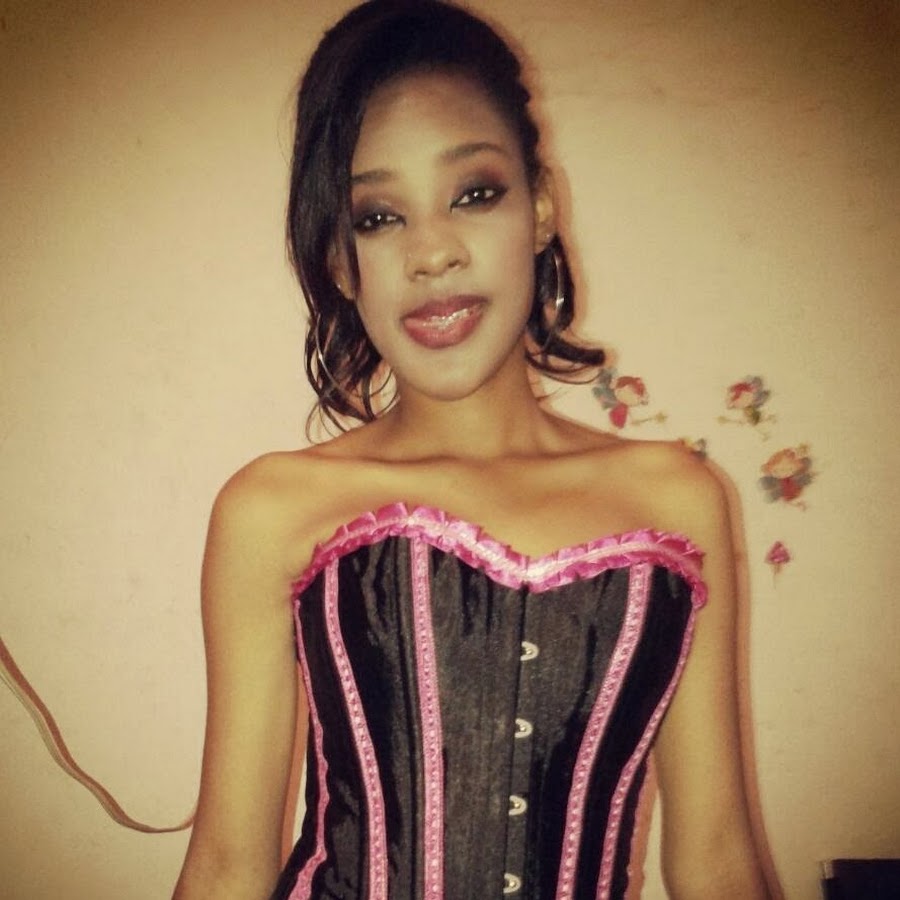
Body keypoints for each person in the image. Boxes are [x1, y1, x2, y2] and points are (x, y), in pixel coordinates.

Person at [173, 2, 773, 898]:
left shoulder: (678, 499)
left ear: (541, 208)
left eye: (475, 194)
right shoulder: (272, 509)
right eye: (379, 216)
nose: (432, 254)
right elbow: (229, 862)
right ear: (339, 260)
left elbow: (718, 856)